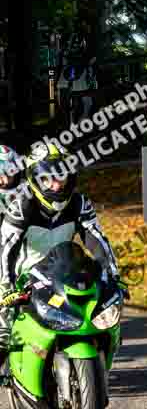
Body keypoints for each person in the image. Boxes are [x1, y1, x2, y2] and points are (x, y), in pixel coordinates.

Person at [0, 142, 120, 368]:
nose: (56, 185)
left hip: (65, 273)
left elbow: (96, 240)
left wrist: (113, 275)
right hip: (25, 278)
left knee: (102, 313)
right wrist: (7, 286)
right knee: (2, 332)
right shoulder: (22, 206)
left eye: (61, 177)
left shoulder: (79, 202)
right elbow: (5, 248)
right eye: (48, 179)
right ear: (35, 179)